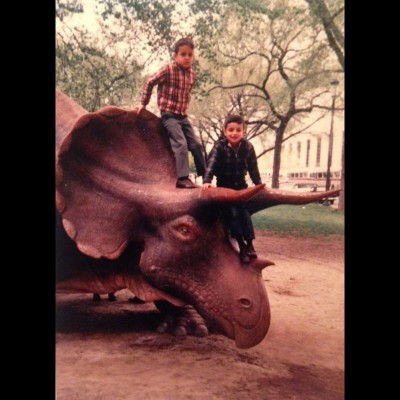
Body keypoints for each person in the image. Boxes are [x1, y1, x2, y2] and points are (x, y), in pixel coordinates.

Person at [135, 37, 206, 189]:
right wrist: (144, 103)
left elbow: (187, 93)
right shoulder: (168, 69)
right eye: (183, 54)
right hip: (169, 115)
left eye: (190, 55)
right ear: (175, 55)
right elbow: (150, 82)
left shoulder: (192, 75)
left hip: (183, 116)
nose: (187, 57)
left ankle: (205, 176)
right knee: (181, 143)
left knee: (196, 145)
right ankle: (182, 178)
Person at [202, 115, 262, 263]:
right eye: (231, 130)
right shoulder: (219, 146)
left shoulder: (248, 147)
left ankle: (250, 245)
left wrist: (258, 184)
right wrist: (207, 180)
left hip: (241, 188)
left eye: (238, 130)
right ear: (225, 131)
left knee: (244, 214)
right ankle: (241, 247)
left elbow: (253, 167)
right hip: (225, 188)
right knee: (233, 214)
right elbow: (212, 163)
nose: (234, 133)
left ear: (244, 132)